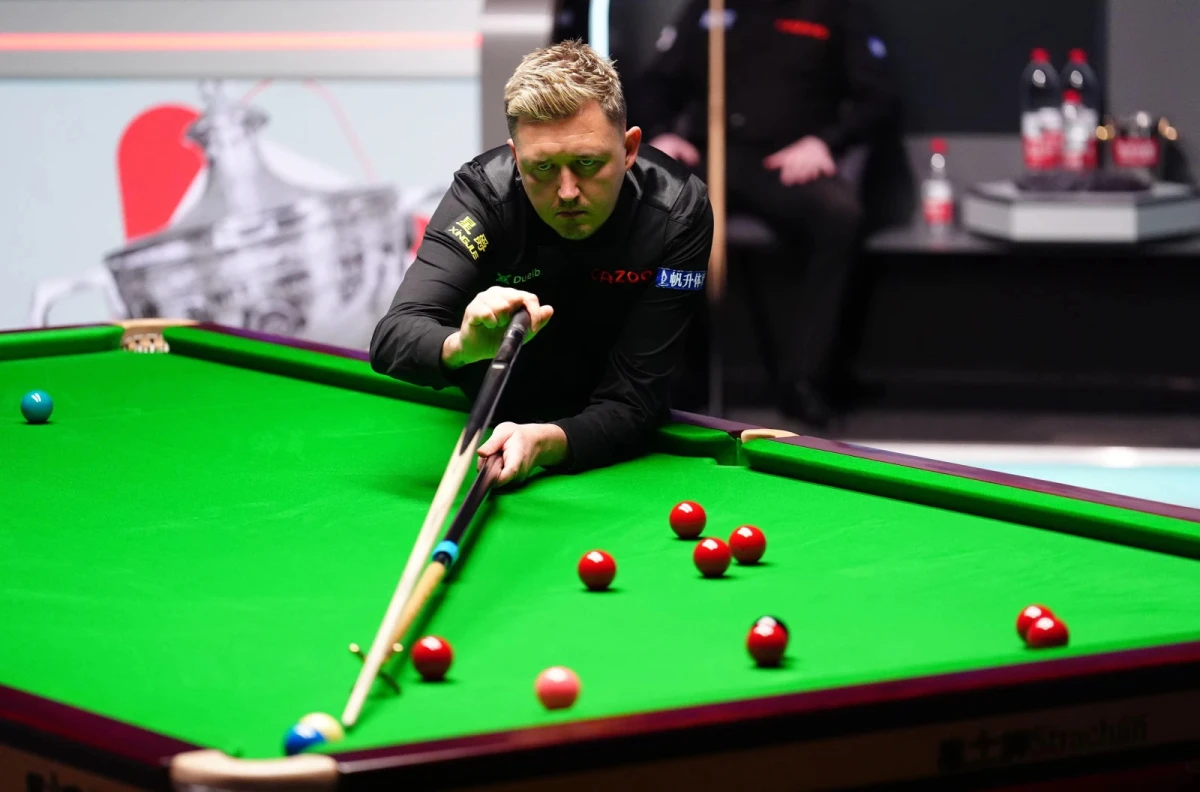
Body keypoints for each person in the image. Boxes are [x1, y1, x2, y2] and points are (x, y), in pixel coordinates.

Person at [370, 40, 714, 487]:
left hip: (623, 425)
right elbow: (393, 337)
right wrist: (462, 345)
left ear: (629, 149)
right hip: (498, 407)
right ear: (516, 159)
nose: (568, 191)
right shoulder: (484, 197)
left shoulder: (677, 212)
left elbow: (634, 401)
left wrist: (545, 442)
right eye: (544, 168)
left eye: (588, 163)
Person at [639, 0, 898, 426]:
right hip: (712, 158)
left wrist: (826, 141)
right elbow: (655, 83)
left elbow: (878, 96)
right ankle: (675, 379)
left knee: (839, 216)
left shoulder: (833, 9)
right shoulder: (711, 7)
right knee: (653, 208)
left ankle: (805, 382)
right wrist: (664, 132)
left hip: (786, 162)